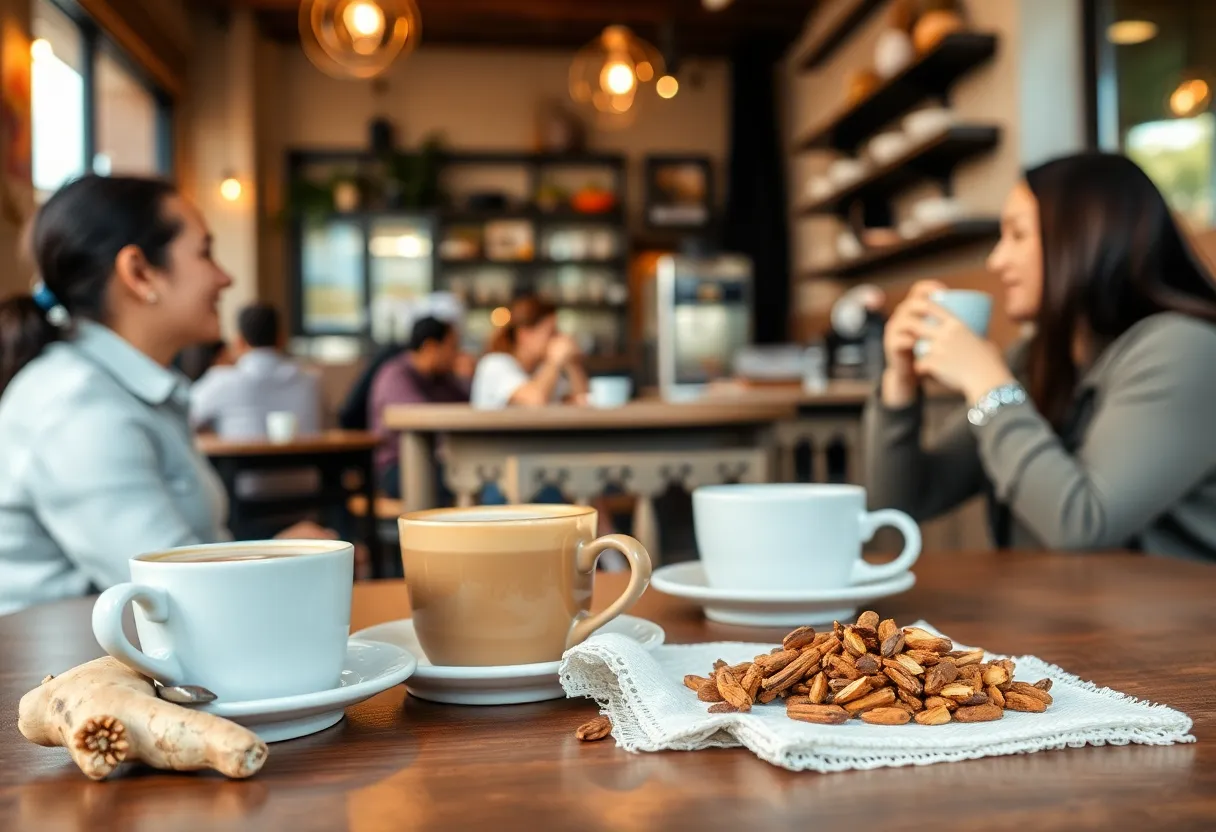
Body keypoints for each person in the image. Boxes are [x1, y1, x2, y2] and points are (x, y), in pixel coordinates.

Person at [0, 175, 333, 616]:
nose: (225, 277)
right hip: (59, 673)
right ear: (139, 273)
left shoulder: (124, 389)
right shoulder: (76, 405)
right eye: (205, 253)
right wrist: (279, 558)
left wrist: (276, 551)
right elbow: (168, 597)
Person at [865, 152, 1216, 559]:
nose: (996, 262)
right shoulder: (1034, 360)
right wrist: (900, 383)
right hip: (1065, 618)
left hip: (1180, 621)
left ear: (1086, 236)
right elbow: (904, 503)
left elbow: (1083, 525)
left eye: (1016, 235)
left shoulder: (1186, 351)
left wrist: (986, 382)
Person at [369, 315, 470, 496]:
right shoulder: (395, 375)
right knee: (460, 482)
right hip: (395, 467)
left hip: (436, 462)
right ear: (431, 347)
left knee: (467, 477)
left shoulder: (442, 379)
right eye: (452, 347)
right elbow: (422, 420)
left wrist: (468, 377)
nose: (457, 355)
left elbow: (470, 407)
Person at [190, 303, 321, 439]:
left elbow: (181, 417)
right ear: (281, 339)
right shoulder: (311, 382)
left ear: (238, 342)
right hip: (304, 460)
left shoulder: (221, 381)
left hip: (238, 459)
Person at [470, 295, 589, 409]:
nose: (557, 338)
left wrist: (573, 364)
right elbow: (535, 401)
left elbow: (583, 402)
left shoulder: (542, 369)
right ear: (524, 334)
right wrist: (554, 361)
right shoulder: (494, 364)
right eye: (551, 333)